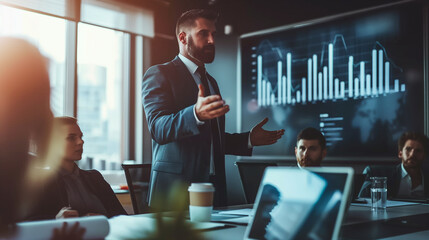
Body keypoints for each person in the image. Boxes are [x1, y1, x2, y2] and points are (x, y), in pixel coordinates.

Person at [142, 9, 284, 207]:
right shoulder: (159, 74)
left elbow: (210, 139)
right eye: (203, 34)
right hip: (174, 192)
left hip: (212, 189)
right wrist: (195, 114)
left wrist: (248, 139)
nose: (211, 40)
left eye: (213, 34)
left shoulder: (210, 82)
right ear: (183, 38)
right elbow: (158, 128)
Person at [26, 117, 126, 220]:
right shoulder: (41, 182)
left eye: (81, 137)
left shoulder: (95, 178)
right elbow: (27, 224)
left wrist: (102, 219)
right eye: (71, 138)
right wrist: (55, 220)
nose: (80, 142)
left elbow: (122, 216)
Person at [359, 132, 429, 199]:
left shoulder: (426, 176)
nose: (412, 154)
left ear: (425, 155)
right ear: (400, 153)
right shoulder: (374, 173)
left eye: (418, 151)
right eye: (408, 149)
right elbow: (362, 201)